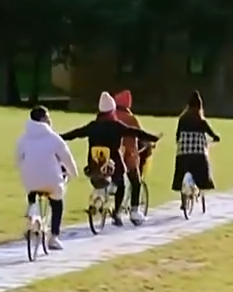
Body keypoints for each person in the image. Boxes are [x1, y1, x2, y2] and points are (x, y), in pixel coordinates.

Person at [61, 92, 161, 226]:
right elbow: (135, 132)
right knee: (121, 186)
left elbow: (75, 133)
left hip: (94, 164)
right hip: (113, 164)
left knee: (100, 179)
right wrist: (153, 138)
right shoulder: (116, 126)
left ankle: (101, 197)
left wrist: (59, 136)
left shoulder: (93, 126)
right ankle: (116, 213)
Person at [15, 106, 77, 250]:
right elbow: (67, 158)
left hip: (30, 179)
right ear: (43, 119)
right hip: (51, 180)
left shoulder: (23, 139)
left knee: (32, 192)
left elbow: (17, 160)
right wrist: (73, 173)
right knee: (57, 202)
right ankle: (54, 237)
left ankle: (32, 215)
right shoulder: (54, 138)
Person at [112, 89, 152, 225]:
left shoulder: (111, 115)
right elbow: (141, 135)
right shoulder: (131, 119)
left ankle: (116, 211)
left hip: (112, 154)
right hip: (128, 154)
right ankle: (134, 211)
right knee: (136, 181)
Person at [172, 90, 221, 196]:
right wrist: (216, 138)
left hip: (183, 155)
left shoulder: (182, 119)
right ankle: (202, 186)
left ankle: (182, 195)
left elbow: (177, 135)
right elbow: (212, 134)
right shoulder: (201, 120)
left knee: (180, 171)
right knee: (203, 172)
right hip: (198, 155)